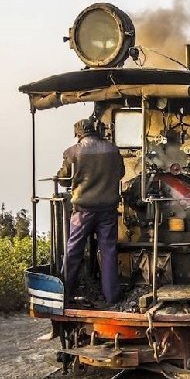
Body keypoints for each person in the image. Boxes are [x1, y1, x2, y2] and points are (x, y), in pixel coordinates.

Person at [57, 118, 125, 305]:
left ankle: (64, 294)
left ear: (78, 133)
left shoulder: (73, 152)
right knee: (108, 251)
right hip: (107, 210)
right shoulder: (113, 150)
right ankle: (112, 297)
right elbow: (120, 173)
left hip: (83, 210)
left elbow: (63, 179)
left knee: (74, 250)